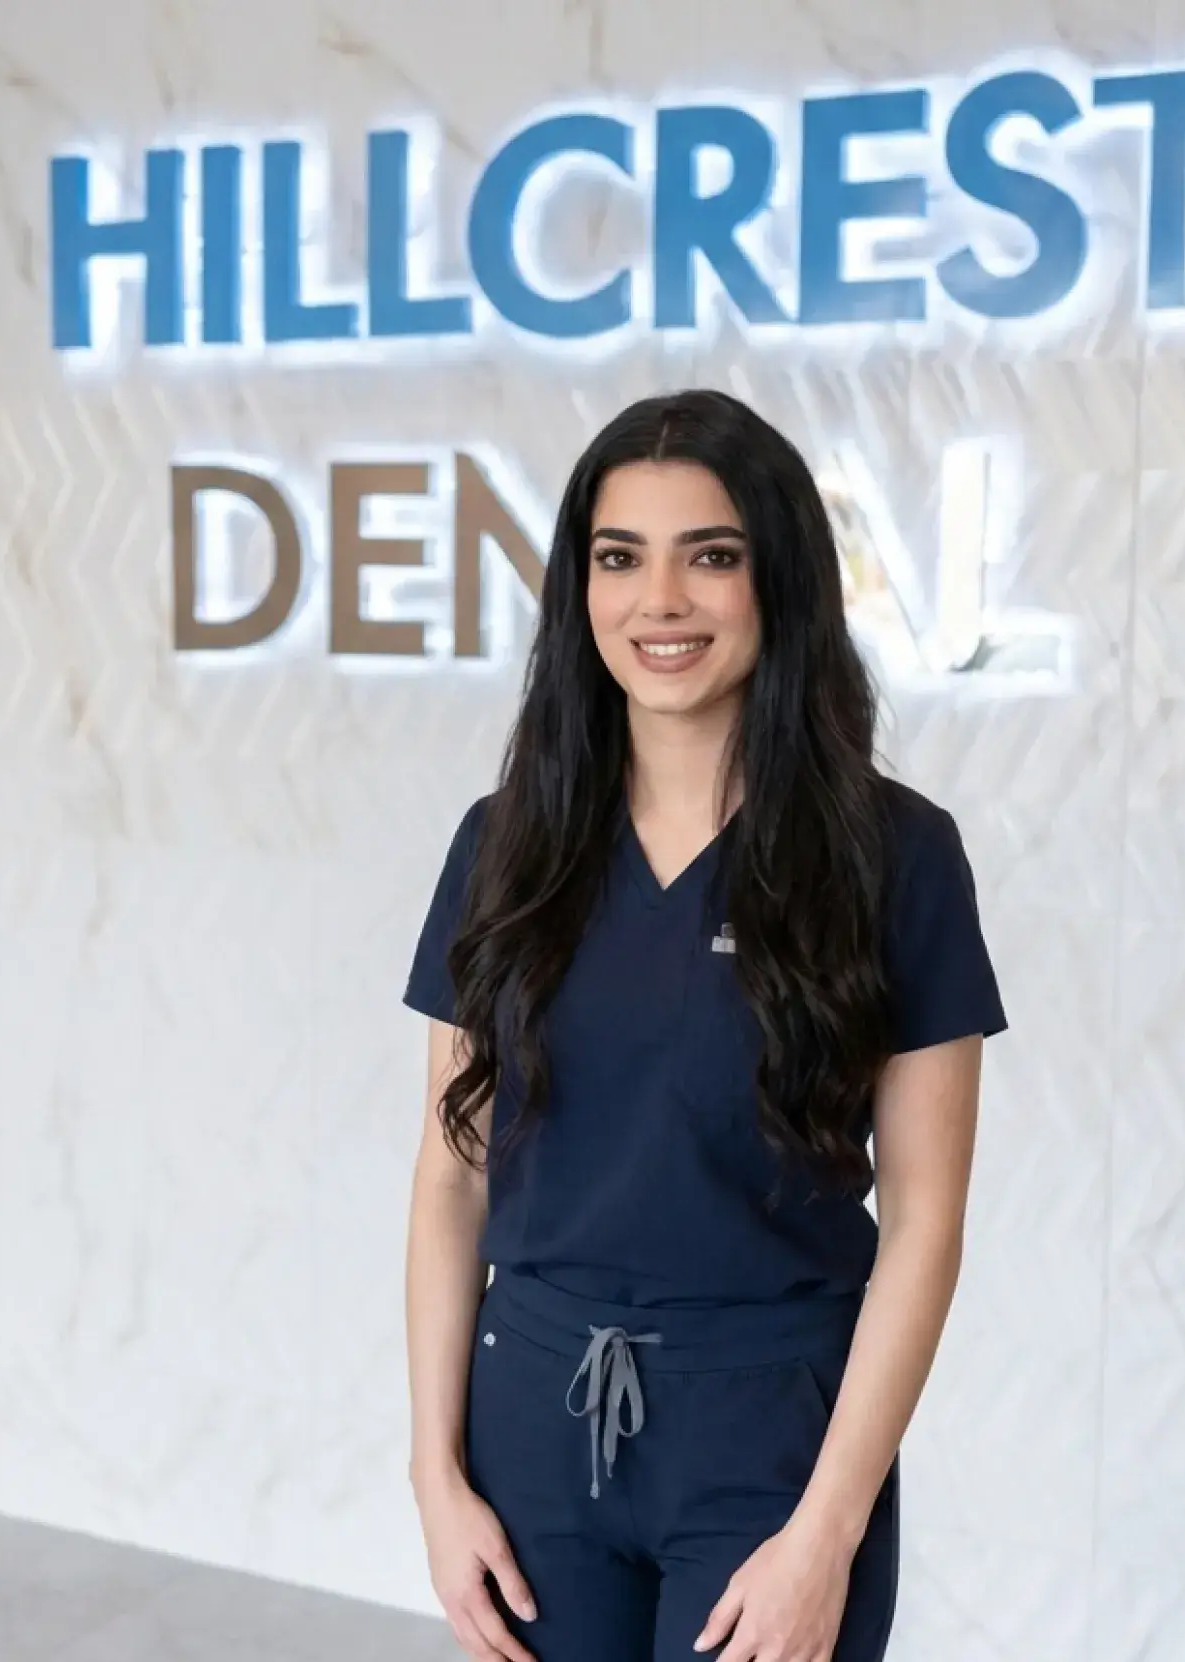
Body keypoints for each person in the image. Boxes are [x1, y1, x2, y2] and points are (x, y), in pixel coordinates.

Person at [401, 387, 1008, 1662]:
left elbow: (925, 1224)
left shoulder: (894, 858)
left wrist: (826, 1530)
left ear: (779, 578)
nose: (658, 601)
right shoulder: (504, 845)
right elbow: (451, 1179)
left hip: (769, 1441)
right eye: (619, 558)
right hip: (530, 1421)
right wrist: (435, 1476)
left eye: (711, 557)